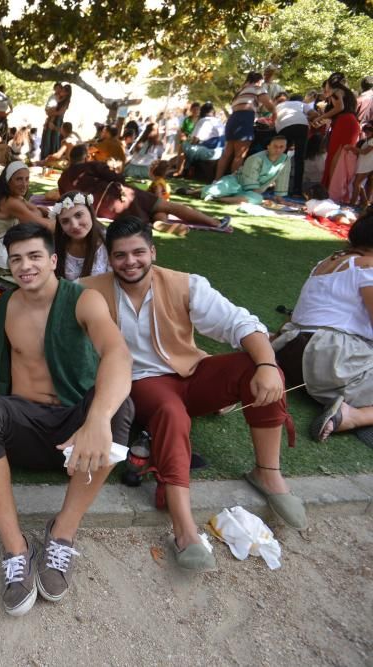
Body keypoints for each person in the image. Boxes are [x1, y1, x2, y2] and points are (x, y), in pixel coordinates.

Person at [82, 217, 306, 571]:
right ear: (109, 259)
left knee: (257, 367)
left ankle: (267, 472)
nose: (130, 261)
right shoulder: (88, 290)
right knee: (171, 411)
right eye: (120, 255)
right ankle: (184, 529)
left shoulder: (184, 284)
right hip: (137, 384)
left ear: (152, 251)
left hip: (189, 373)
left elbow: (239, 322)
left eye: (139, 252)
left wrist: (266, 365)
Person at [0, 222, 132, 615]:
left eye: (35, 256)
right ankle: (15, 548)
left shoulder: (83, 300)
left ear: (54, 260)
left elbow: (118, 354)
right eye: (17, 258)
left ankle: (62, 533)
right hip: (24, 426)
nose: (26, 266)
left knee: (121, 407)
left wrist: (97, 419)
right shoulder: (3, 307)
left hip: (77, 433)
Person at [273, 211, 373, 448]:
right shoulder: (369, 267)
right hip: (331, 359)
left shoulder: (329, 261)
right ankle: (353, 417)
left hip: (290, 353)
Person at [59, 146, 230, 230]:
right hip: (120, 198)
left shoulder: (62, 178)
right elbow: (118, 178)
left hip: (101, 211)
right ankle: (215, 223)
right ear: (86, 156)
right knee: (166, 205)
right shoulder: (91, 165)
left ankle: (160, 223)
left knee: (152, 209)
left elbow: (66, 201)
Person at [0, 161, 53, 273]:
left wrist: (39, 212)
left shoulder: (13, 197)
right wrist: (64, 222)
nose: (24, 184)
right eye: (19, 179)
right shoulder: (11, 202)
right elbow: (44, 225)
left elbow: (37, 211)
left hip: (2, 243)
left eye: (27, 179)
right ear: (8, 181)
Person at [215, 72, 275, 181]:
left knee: (227, 153)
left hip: (232, 119)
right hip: (245, 118)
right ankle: (232, 183)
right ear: (259, 80)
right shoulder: (258, 88)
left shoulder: (240, 92)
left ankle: (216, 180)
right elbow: (270, 106)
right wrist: (276, 116)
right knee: (239, 155)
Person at [201, 134, 290, 205]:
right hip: (235, 183)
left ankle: (219, 199)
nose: (278, 149)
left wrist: (280, 199)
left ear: (285, 148)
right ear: (268, 146)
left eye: (281, 147)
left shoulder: (285, 160)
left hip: (250, 192)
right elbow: (250, 181)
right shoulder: (256, 158)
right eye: (275, 146)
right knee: (213, 191)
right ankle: (194, 192)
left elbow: (283, 178)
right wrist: (254, 193)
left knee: (257, 198)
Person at [313, 73, 361, 198]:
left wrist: (321, 117)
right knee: (343, 158)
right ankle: (338, 191)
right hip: (349, 123)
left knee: (336, 157)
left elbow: (339, 108)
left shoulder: (337, 92)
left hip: (344, 124)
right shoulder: (349, 93)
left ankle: (332, 191)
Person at [51, 192, 109, 282]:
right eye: (65, 221)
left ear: (90, 212)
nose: (74, 225)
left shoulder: (109, 241)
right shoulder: (55, 246)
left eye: (78, 215)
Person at [170, 102, 224, 178]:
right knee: (191, 148)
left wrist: (187, 140)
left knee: (183, 146)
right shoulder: (219, 121)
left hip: (211, 152)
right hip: (221, 151)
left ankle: (179, 171)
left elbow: (194, 140)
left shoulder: (203, 120)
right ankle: (184, 169)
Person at [275, 93, 312, 197]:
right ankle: (296, 190)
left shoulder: (280, 105)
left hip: (283, 128)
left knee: (281, 157)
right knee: (299, 159)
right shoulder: (302, 104)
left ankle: (279, 187)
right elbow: (314, 114)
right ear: (301, 100)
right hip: (301, 126)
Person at [345, 123, 373, 207]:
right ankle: (364, 202)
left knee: (356, 184)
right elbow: (362, 152)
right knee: (358, 184)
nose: (366, 133)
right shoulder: (368, 140)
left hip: (367, 166)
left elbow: (365, 152)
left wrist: (352, 148)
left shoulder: (371, 140)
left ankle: (352, 203)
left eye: (368, 131)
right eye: (366, 131)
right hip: (364, 165)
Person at [42, 83, 71, 158]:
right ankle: (45, 157)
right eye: (62, 89)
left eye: (64, 90)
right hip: (51, 119)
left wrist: (50, 113)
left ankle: (51, 158)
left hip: (57, 122)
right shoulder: (56, 98)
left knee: (54, 140)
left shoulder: (66, 101)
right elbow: (48, 109)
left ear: (67, 93)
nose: (61, 91)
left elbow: (59, 112)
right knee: (47, 140)